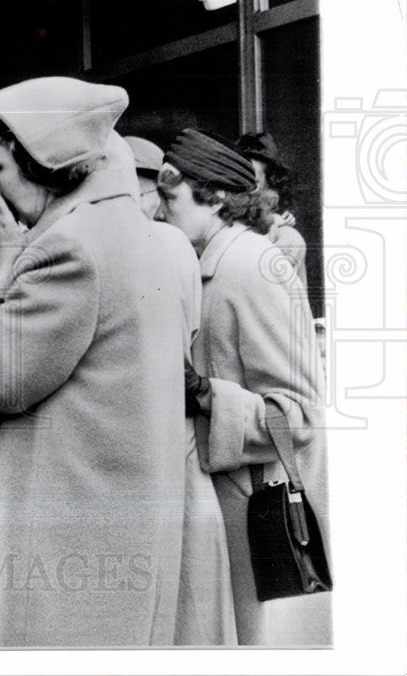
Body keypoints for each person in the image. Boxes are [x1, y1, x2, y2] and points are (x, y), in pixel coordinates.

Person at [0, 77, 187, 647]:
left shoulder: (69, 247)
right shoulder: (132, 231)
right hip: (114, 538)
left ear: (41, 164)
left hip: (69, 553)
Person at [155, 128, 329, 645]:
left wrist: (206, 393)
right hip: (232, 505)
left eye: (170, 198)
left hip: (262, 512)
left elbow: (300, 413)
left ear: (214, 198)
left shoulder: (253, 266)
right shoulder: (215, 262)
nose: (161, 214)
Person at [125, 136, 237, 644]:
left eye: (154, 194)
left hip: (183, 458)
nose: (149, 206)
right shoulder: (162, 249)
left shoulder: (166, 249)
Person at [236, 130, 308, 285]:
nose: (245, 189)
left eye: (254, 183)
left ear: (271, 184)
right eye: (240, 180)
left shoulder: (286, 238)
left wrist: (272, 225)